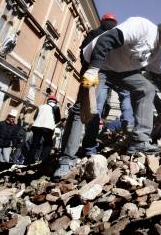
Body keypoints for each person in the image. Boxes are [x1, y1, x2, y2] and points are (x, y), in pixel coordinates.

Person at [80, 16, 161, 153]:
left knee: (147, 88)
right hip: (99, 62)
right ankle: (72, 155)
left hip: (119, 71)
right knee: (86, 106)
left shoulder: (157, 54)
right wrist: (93, 69)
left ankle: (139, 141)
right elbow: (105, 40)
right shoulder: (142, 27)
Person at [53, 14, 137, 178]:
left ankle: (72, 156)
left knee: (85, 109)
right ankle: (88, 148)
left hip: (95, 71)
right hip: (105, 72)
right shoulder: (118, 35)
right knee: (95, 108)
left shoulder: (94, 33)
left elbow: (83, 54)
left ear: (102, 21)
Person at [27, 95, 61, 163]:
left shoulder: (41, 106)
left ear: (48, 101)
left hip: (36, 127)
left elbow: (35, 117)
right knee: (48, 144)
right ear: (55, 102)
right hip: (48, 128)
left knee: (35, 144)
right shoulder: (56, 107)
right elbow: (58, 119)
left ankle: (29, 160)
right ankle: (42, 160)